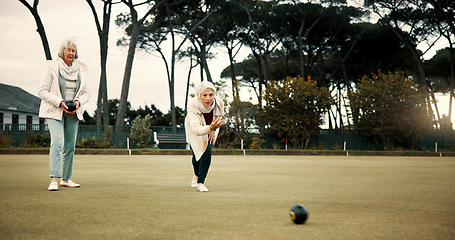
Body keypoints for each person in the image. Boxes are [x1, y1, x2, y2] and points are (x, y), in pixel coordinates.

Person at [38, 39, 90, 191]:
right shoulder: (52, 68)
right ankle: (54, 179)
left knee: (70, 146)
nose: (71, 53)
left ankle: (66, 179)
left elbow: (87, 93)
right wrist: (60, 102)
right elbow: (42, 91)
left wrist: (79, 102)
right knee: (58, 142)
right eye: (68, 50)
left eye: (73, 50)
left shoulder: (81, 69)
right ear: (62, 52)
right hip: (54, 111)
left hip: (73, 113)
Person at [185, 81, 225, 192]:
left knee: (207, 151)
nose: (208, 98)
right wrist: (209, 128)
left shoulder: (219, 102)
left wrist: (213, 130)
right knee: (197, 153)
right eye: (205, 95)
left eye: (211, 95)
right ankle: (196, 175)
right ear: (199, 96)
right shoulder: (193, 106)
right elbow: (196, 129)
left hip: (212, 128)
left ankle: (200, 182)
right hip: (194, 128)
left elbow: (218, 116)